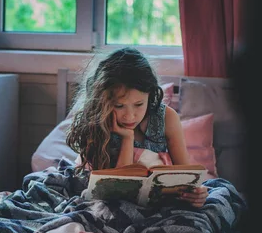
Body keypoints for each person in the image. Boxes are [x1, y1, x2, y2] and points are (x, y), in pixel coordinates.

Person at [66, 47, 208, 208]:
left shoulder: (166, 118)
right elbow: (117, 190)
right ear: (103, 102)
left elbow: (186, 176)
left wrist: (196, 194)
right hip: (114, 202)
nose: (130, 116)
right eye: (119, 106)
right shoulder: (97, 123)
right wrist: (127, 138)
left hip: (160, 202)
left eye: (139, 104)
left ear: (151, 95)